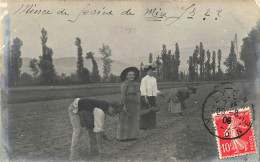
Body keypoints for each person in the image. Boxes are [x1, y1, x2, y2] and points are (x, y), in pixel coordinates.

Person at [117, 67, 140, 141]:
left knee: (133, 118)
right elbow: (123, 95)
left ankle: (133, 136)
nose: (131, 76)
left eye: (132, 75)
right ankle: (123, 137)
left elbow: (137, 94)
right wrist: (124, 106)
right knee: (125, 118)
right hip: (126, 102)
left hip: (134, 103)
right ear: (126, 76)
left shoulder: (136, 84)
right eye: (129, 75)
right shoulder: (124, 84)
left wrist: (138, 102)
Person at [139, 64, 162, 129]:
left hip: (152, 97)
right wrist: (145, 97)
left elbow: (155, 89)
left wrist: (159, 92)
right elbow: (142, 88)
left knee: (152, 111)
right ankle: (144, 126)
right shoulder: (144, 79)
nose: (150, 72)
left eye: (151, 70)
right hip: (145, 97)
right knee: (146, 111)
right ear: (146, 71)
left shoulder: (154, 79)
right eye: (149, 71)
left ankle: (152, 125)